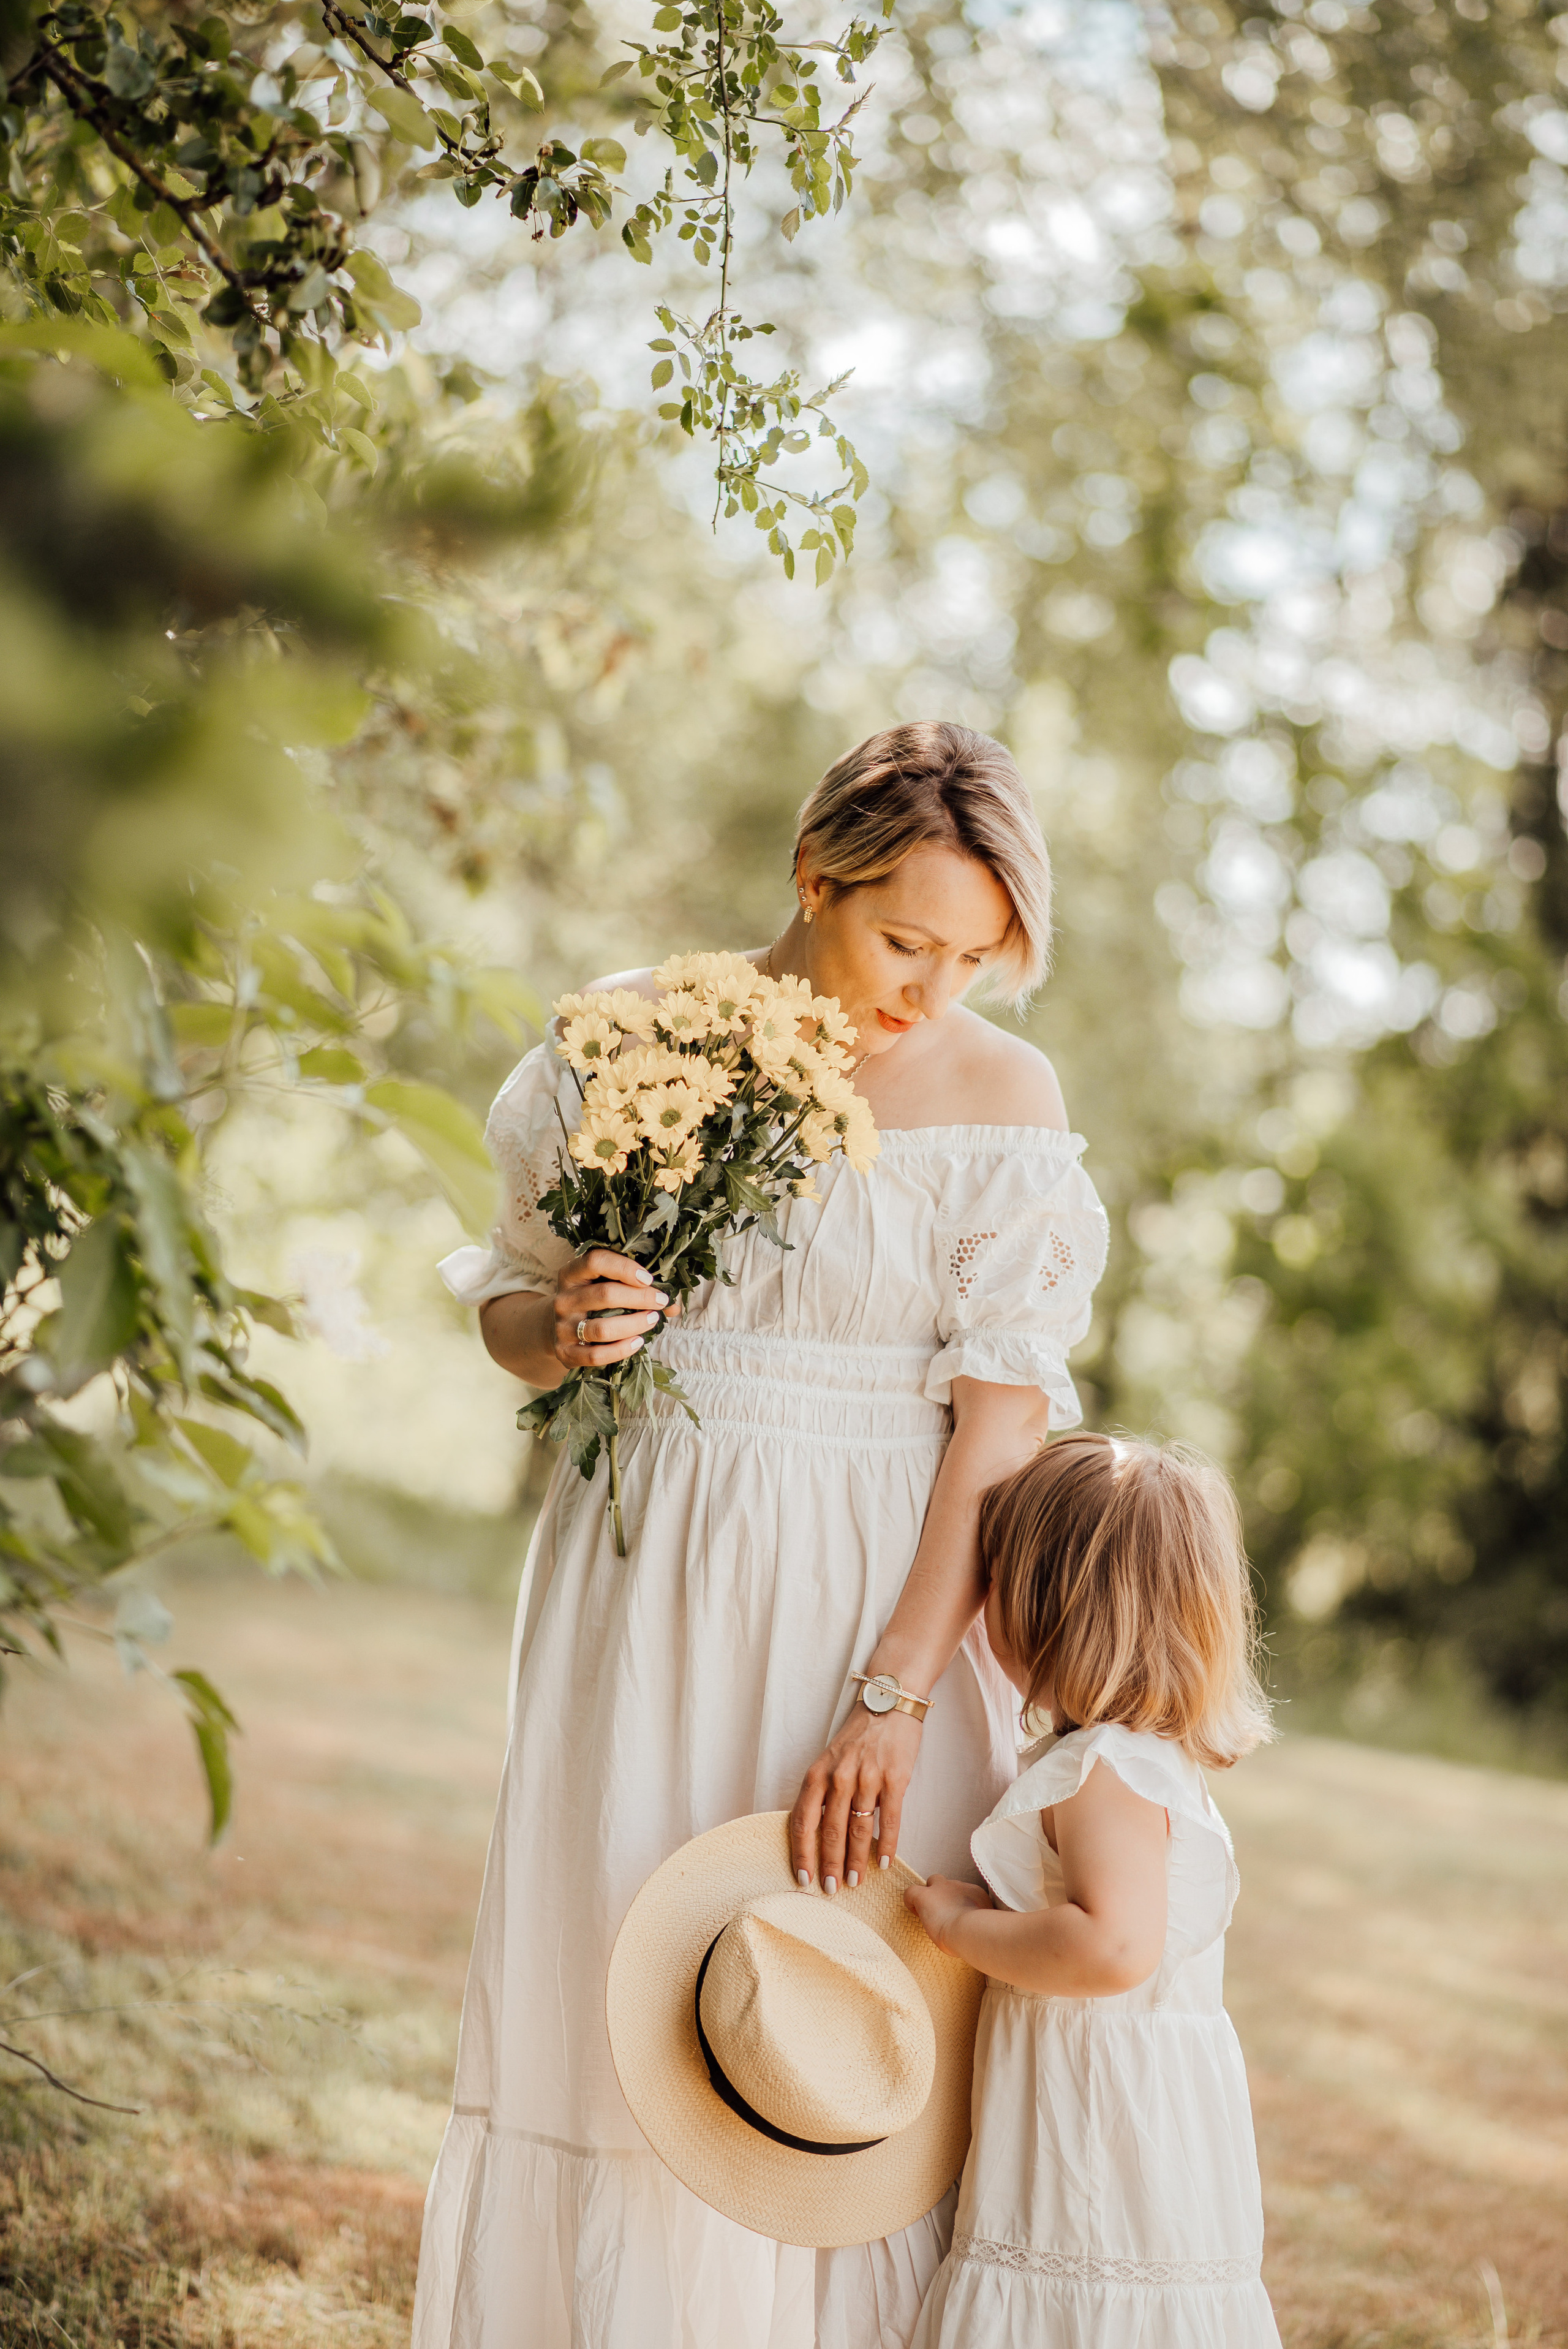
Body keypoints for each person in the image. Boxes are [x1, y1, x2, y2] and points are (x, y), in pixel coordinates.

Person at [411, 722, 1110, 2349]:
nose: (933, 989)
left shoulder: (1005, 1099)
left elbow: (998, 1433)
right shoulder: (628, 1036)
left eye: (974, 958)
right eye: (905, 940)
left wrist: (895, 1692)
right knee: (627, 1978)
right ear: (813, 877)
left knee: (846, 2006)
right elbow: (509, 1302)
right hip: (642, 1579)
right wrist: (561, 1328)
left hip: (885, 1592)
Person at [905, 1430, 1281, 2348]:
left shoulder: (1104, 1769)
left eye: (994, 1577)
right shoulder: (1137, 1758)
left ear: (1049, 1606)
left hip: (1100, 2139)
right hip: (1132, 2114)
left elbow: (1111, 1946)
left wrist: (960, 1928)